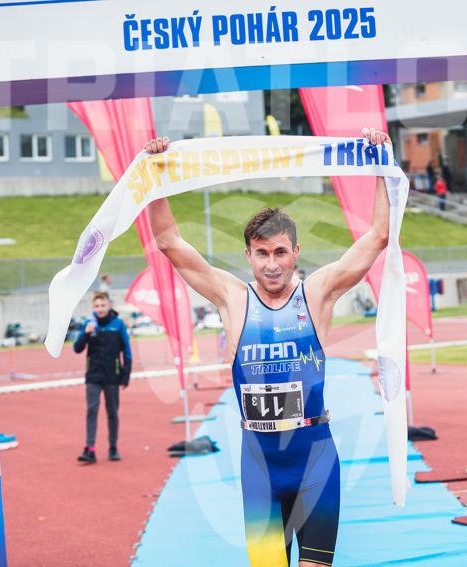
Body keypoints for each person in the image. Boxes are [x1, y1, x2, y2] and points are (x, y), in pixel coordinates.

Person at [143, 128, 392, 567]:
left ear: (295, 251)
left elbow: (377, 237)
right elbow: (170, 243)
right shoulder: (232, 299)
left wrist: (381, 165)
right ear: (248, 255)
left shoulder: (317, 293)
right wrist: (155, 173)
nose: (272, 264)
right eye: (262, 253)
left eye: (280, 252)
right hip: (260, 470)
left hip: (315, 462)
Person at [74, 292, 132, 463]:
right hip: (93, 375)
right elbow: (77, 348)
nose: (100, 308)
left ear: (109, 306)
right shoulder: (89, 324)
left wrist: (125, 375)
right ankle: (90, 449)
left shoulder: (118, 324)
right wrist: (85, 334)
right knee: (91, 410)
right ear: (93, 307)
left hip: (112, 376)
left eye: (103, 305)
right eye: (97, 306)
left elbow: (127, 351)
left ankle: (113, 447)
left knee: (112, 412)